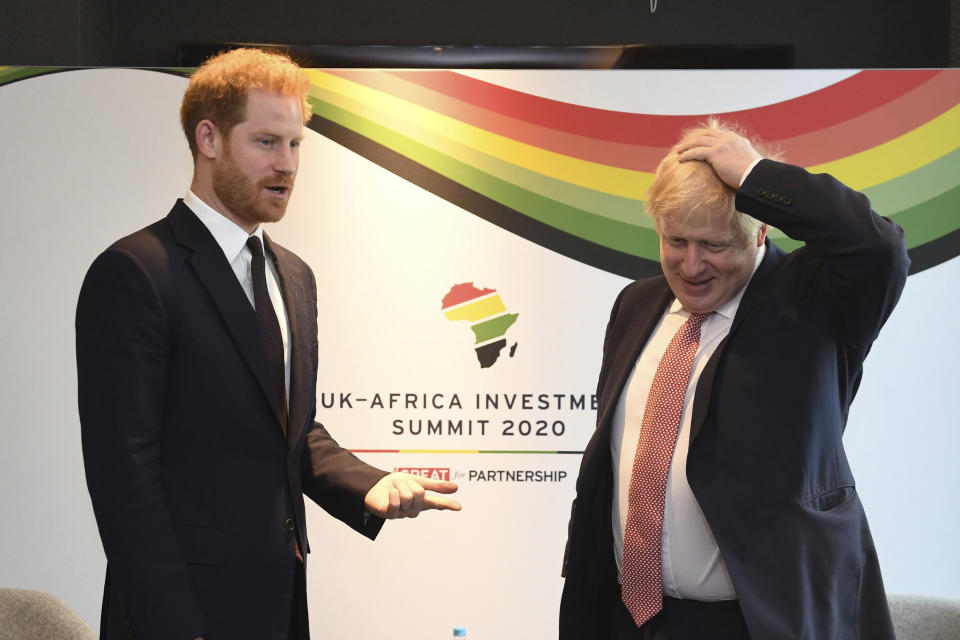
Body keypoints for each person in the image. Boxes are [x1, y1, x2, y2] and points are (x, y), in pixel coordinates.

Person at [76, 48, 461, 640]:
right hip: (176, 616)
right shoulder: (134, 272)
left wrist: (368, 484)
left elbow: (290, 429)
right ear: (209, 139)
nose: (287, 164)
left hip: (279, 607)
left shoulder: (294, 275)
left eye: (296, 144)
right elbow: (123, 480)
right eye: (266, 143)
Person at [559, 121, 908, 639]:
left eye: (714, 245)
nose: (691, 264)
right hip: (629, 618)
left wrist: (755, 175)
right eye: (675, 240)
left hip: (759, 621)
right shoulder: (636, 304)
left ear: (760, 230)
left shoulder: (814, 302)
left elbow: (878, 250)